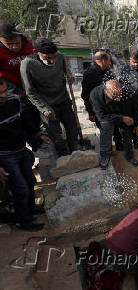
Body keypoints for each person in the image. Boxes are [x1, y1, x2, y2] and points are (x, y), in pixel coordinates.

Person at [0, 77, 52, 231]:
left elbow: (23, 123)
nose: (3, 95)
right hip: (5, 155)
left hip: (21, 149)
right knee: (19, 187)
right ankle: (22, 221)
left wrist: (37, 135)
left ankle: (29, 210)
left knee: (30, 181)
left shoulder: (13, 100)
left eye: (4, 91)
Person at [20, 37, 79, 156]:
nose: (52, 61)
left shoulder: (60, 57)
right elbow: (30, 92)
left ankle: (76, 152)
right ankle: (63, 157)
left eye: (54, 57)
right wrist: (43, 108)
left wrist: (70, 77)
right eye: (47, 58)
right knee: (55, 134)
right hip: (47, 105)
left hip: (64, 100)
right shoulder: (27, 64)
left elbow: (66, 72)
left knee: (72, 128)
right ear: (36, 52)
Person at [0, 20, 41, 151]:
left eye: (16, 43)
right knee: (25, 116)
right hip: (14, 90)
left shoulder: (28, 44)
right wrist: (15, 90)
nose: (14, 47)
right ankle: (36, 145)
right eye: (9, 44)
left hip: (32, 87)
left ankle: (42, 136)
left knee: (38, 114)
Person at [90, 80, 138, 169]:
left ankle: (129, 155)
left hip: (123, 111)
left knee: (127, 132)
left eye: (119, 95)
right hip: (107, 115)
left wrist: (137, 124)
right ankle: (105, 156)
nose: (118, 98)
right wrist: (121, 118)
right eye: (114, 96)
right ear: (106, 91)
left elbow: (136, 108)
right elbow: (102, 117)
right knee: (106, 131)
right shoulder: (95, 95)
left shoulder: (127, 92)